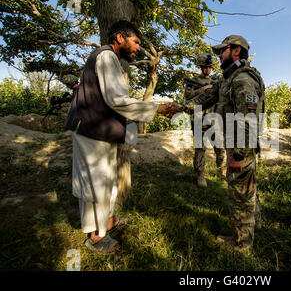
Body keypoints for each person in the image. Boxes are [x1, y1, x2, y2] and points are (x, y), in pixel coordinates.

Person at [65, 20, 178, 254]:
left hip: (99, 131)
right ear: (119, 38)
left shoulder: (110, 59)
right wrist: (157, 108)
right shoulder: (106, 57)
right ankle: (96, 237)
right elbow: (116, 101)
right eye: (135, 42)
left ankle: (107, 222)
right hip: (92, 132)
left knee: (106, 181)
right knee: (97, 183)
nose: (138, 48)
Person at [182, 35, 264, 251]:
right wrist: (179, 107)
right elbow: (204, 100)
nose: (218, 55)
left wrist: (238, 155)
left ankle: (242, 243)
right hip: (237, 145)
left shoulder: (242, 79)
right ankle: (256, 224)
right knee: (247, 190)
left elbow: (249, 120)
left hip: (240, 148)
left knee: (239, 195)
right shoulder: (229, 78)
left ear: (236, 51)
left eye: (222, 50)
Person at [184, 53, 226, 188]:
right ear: (200, 67)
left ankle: (222, 171)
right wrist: (201, 90)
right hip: (199, 120)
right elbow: (187, 98)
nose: (207, 70)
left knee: (220, 148)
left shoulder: (216, 82)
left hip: (215, 120)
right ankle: (200, 174)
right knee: (200, 149)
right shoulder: (193, 82)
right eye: (204, 67)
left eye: (209, 67)